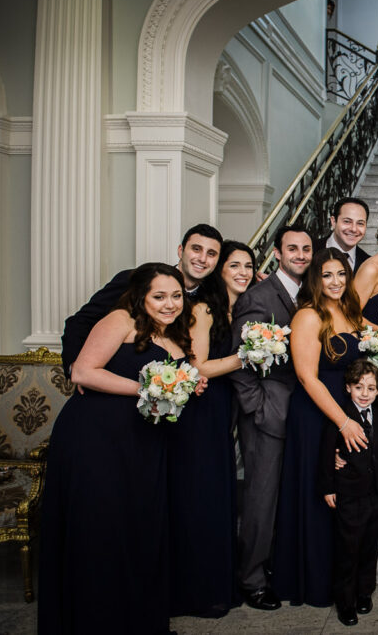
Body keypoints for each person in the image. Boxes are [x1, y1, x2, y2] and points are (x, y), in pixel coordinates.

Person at [39, 263, 204, 634]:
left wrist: (187, 386)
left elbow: (172, 382)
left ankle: (137, 621)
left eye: (176, 296)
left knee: (139, 530)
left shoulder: (175, 333)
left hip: (144, 443)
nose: (169, 304)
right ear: (140, 296)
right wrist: (148, 388)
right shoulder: (119, 320)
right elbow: (82, 372)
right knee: (101, 532)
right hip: (97, 439)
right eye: (159, 296)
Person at [271, 247, 362, 608]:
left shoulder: (347, 309)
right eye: (327, 275)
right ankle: (312, 581)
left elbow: (373, 334)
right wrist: (342, 421)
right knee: (316, 494)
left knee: (341, 494)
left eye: (341, 274)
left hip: (346, 410)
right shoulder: (308, 316)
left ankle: (341, 579)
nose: (336, 281)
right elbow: (307, 377)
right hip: (315, 414)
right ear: (315, 278)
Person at [169, 240, 256, 617]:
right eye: (234, 265)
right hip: (200, 408)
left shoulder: (240, 309)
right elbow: (196, 366)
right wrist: (246, 357)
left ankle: (217, 581)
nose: (242, 272)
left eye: (248, 266)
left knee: (219, 493)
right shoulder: (204, 308)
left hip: (223, 407)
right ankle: (194, 589)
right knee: (200, 495)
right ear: (220, 271)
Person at [230, 222, 312, 610]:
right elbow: (240, 361)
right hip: (267, 413)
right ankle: (251, 579)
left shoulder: (309, 293)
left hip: (299, 413)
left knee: (287, 497)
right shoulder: (258, 297)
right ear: (277, 253)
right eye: (292, 249)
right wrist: (256, 408)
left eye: (306, 249)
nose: (300, 255)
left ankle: (278, 568)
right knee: (261, 500)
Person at [61, 223, 223, 375]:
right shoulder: (135, 280)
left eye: (211, 254)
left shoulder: (211, 301)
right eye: (196, 249)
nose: (202, 259)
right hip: (116, 380)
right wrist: (76, 367)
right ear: (180, 251)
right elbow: (80, 322)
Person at [320, 358, 378, 627]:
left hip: (377, 492)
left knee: (370, 547)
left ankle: (364, 593)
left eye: (371, 388)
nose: (365, 393)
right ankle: (346, 602)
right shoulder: (339, 417)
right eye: (359, 387)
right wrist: (328, 486)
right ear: (348, 387)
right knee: (348, 549)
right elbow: (327, 451)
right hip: (349, 493)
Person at [320, 196, 371, 271]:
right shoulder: (309, 252)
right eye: (347, 221)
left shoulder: (367, 263)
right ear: (333, 222)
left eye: (360, 223)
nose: (354, 229)